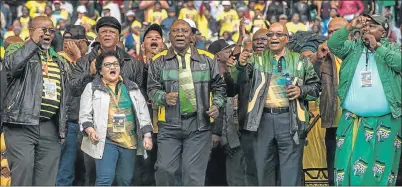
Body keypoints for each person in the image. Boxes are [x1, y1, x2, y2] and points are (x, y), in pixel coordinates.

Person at [232, 23, 321, 186]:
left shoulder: (300, 60)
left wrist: (301, 91)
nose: (273, 38)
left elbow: (316, 87)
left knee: (290, 172)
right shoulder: (255, 59)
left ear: (287, 39)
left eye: (278, 34)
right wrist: (240, 65)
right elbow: (237, 82)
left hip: (290, 120)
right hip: (262, 120)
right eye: (270, 35)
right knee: (264, 171)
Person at [148, 19, 226, 186]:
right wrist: (163, 97)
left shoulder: (208, 59)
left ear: (192, 37)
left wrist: (217, 105)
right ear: (170, 36)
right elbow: (152, 91)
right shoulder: (158, 61)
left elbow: (220, 87)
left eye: (184, 31)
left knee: (193, 174)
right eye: (176, 31)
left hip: (199, 125)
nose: (180, 34)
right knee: (164, 169)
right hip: (168, 126)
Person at [328, 14, 401, 186]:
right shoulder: (353, 48)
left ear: (383, 33)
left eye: (373, 26)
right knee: (345, 165)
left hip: (386, 122)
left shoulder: (393, 49)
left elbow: (399, 63)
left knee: (380, 169)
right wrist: (349, 26)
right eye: (365, 25)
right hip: (353, 120)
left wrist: (378, 48)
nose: (366, 28)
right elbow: (333, 45)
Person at [71, 16, 144, 185]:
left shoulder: (132, 63)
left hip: (126, 132)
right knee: (94, 176)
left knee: (124, 178)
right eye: (103, 31)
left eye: (112, 32)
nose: (107, 35)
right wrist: (88, 74)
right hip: (93, 131)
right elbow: (73, 89)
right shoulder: (84, 61)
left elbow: (139, 97)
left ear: (119, 36)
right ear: (97, 36)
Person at [2, 16, 67, 186]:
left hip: (49, 127)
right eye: (43, 30)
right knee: (22, 176)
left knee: (46, 181)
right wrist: (33, 43)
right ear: (31, 31)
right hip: (21, 125)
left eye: (51, 30)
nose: (48, 33)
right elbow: (12, 66)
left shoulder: (57, 60)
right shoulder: (17, 50)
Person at [79, 50, 153, 186]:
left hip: (129, 141)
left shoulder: (132, 87)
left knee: (125, 180)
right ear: (100, 71)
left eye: (115, 64)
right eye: (107, 65)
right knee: (104, 179)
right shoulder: (92, 88)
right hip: (105, 140)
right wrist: (90, 131)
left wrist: (147, 136)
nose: (112, 67)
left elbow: (143, 113)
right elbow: (84, 114)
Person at [309, 17, 348, 186]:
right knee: (333, 169)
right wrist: (318, 59)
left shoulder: (359, 53)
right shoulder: (322, 55)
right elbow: (311, 81)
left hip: (355, 121)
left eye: (336, 31)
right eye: (329, 32)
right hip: (333, 121)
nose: (331, 35)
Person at [55, 25, 89, 186]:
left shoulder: (88, 59)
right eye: (66, 39)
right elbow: (72, 86)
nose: (67, 43)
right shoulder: (59, 60)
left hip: (86, 122)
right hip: (69, 121)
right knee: (65, 171)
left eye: (71, 40)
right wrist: (77, 59)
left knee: (82, 171)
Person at [133, 23, 164, 186]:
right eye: (149, 37)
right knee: (144, 167)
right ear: (143, 44)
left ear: (163, 43)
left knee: (164, 167)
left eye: (157, 37)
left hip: (166, 126)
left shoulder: (170, 65)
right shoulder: (135, 65)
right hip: (143, 125)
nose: (154, 39)